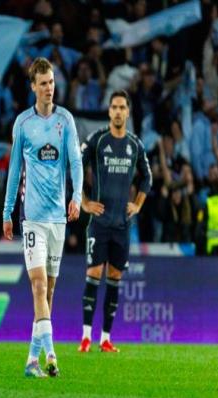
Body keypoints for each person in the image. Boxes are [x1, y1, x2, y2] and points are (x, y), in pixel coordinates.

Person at [3, 57, 83, 378]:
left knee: (48, 294)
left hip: (57, 219)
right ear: (33, 87)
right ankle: (51, 355)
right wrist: (8, 210)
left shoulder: (65, 120)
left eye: (52, 82)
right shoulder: (23, 123)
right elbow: (14, 170)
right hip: (32, 218)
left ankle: (30, 361)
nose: (50, 88)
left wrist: (77, 197)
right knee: (38, 287)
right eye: (44, 83)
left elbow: (75, 162)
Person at [78, 89, 152, 353]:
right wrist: (84, 202)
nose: (118, 112)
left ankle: (106, 339)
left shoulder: (135, 144)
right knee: (94, 274)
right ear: (109, 112)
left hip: (122, 225)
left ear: (128, 112)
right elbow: (76, 167)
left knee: (115, 277)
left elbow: (147, 178)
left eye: (122, 107)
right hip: (99, 223)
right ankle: (86, 337)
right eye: (114, 107)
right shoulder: (97, 140)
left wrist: (138, 204)